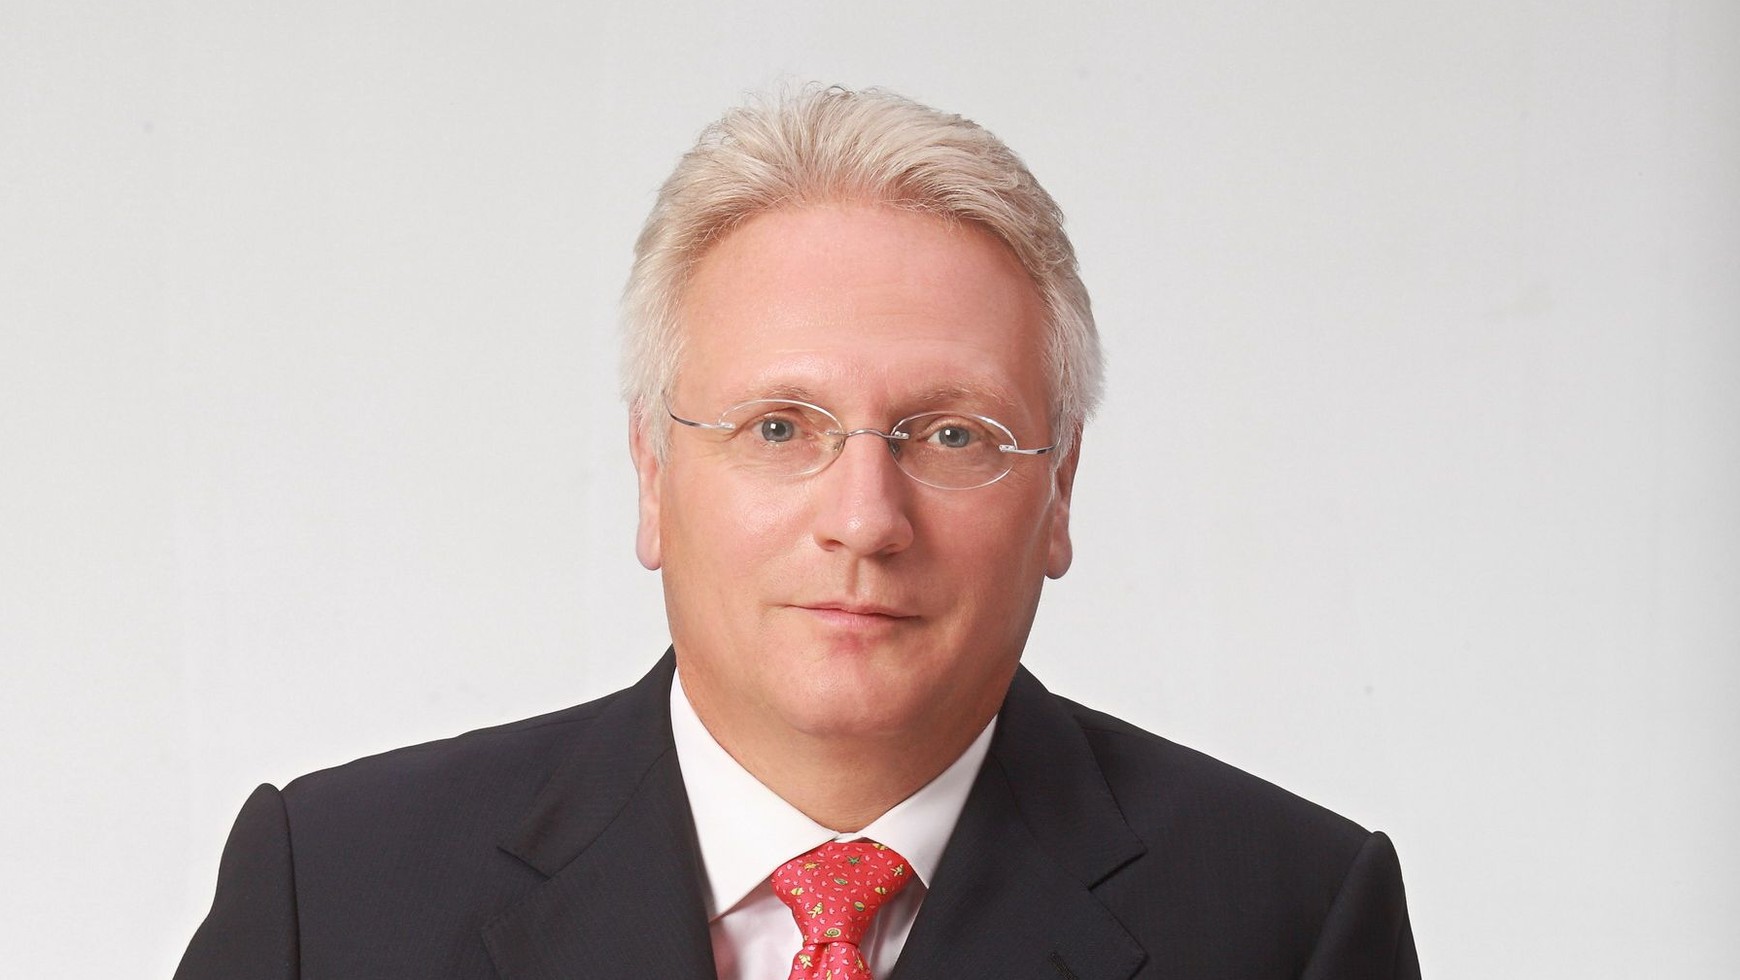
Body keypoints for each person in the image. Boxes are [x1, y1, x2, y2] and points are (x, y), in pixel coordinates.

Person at [177, 85, 1420, 980]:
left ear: (1060, 491)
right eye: (779, 426)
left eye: (953, 434)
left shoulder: (1289, 919)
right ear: (653, 470)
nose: (866, 519)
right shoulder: (331, 896)